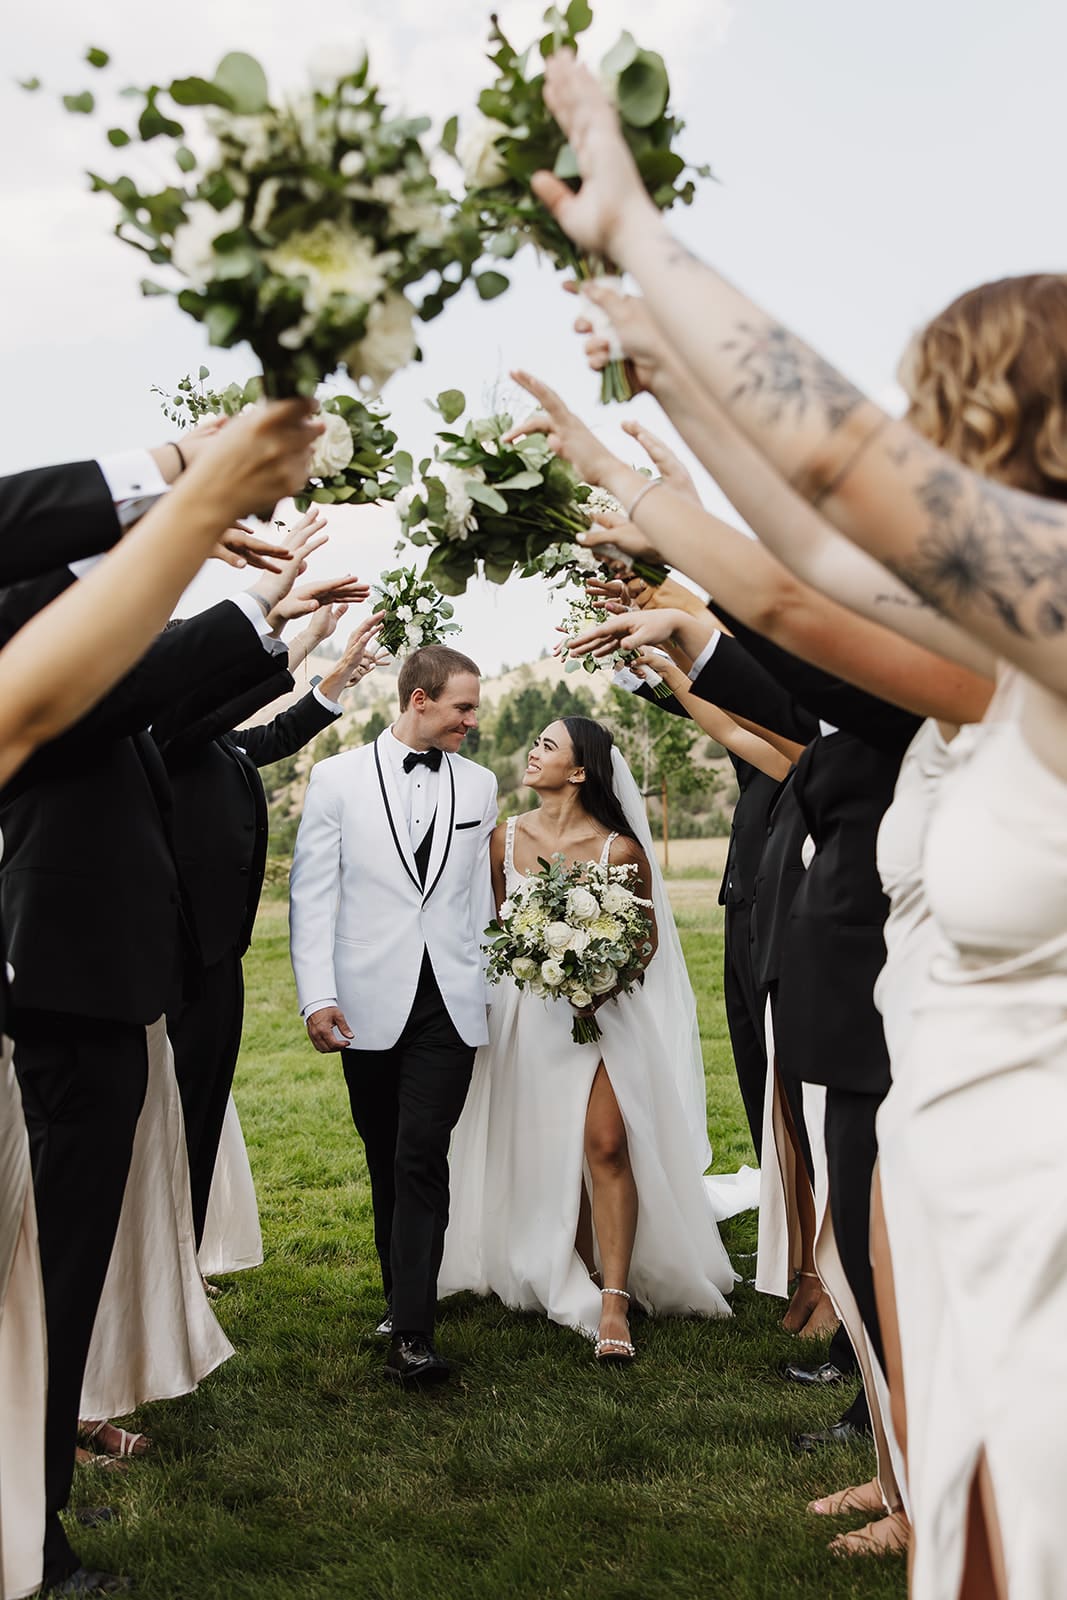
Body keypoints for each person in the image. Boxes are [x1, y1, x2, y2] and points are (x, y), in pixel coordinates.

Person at [0, 400, 320, 1599]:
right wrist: (179, 492)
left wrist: (254, 597)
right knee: (46, 1274)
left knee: (56, 1278)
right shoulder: (33, 654)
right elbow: (106, 683)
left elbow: (155, 701)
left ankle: (37, 1519)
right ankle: (36, 1539)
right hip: (60, 992)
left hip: (98, 987)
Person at [440, 715, 736, 1359]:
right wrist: (531, 962)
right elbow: (494, 928)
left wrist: (597, 982)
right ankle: (568, 1264)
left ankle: (614, 1302)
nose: (532, 751)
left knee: (605, 1145)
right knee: (547, 1149)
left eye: (546, 744)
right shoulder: (503, 839)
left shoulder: (619, 850)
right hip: (523, 1019)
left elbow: (647, 942)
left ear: (579, 770)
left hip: (603, 1017)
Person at [289, 645, 498, 1386]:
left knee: (420, 1153)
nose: (473, 720)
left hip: (449, 1001)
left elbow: (477, 900)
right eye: (462, 707)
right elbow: (312, 894)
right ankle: (397, 1294)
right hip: (365, 1002)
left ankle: (413, 1331)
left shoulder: (480, 785)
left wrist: (489, 988)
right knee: (387, 1155)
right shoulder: (336, 778)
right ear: (418, 700)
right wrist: (317, 994)